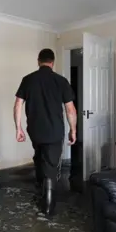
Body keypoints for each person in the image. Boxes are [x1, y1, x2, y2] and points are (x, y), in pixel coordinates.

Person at [13, 48, 77, 216]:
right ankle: (48, 205)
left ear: (38, 61)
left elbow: (18, 104)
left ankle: (41, 190)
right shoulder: (61, 81)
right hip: (55, 131)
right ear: (52, 62)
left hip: (35, 129)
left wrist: (18, 127)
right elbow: (70, 110)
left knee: (40, 156)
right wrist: (73, 130)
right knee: (51, 164)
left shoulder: (28, 80)